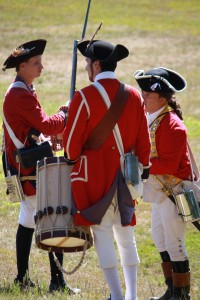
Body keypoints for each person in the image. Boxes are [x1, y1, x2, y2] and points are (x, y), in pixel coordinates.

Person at [62, 40, 151, 300]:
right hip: (126, 175)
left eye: (88, 63)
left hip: (95, 178)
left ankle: (117, 295)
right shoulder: (133, 95)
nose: (87, 67)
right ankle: (132, 295)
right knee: (126, 235)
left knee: (102, 234)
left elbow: (70, 149)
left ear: (96, 65)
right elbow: (144, 141)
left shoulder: (84, 96)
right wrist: (141, 170)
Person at [1, 39, 73, 293]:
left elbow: (33, 129)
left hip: (26, 167)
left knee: (28, 221)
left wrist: (43, 136)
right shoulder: (20, 93)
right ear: (22, 66)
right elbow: (49, 125)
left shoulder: (23, 88)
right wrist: (65, 112)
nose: (41, 67)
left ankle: (22, 279)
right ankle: (57, 282)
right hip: (30, 170)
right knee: (54, 218)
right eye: (36, 63)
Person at [134, 67, 191, 300]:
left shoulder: (173, 125)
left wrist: (139, 164)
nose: (143, 98)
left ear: (163, 98)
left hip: (174, 191)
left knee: (174, 241)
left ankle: (181, 294)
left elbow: (168, 165)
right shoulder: (152, 119)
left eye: (148, 95)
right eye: (143, 93)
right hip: (159, 192)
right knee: (159, 237)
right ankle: (171, 289)